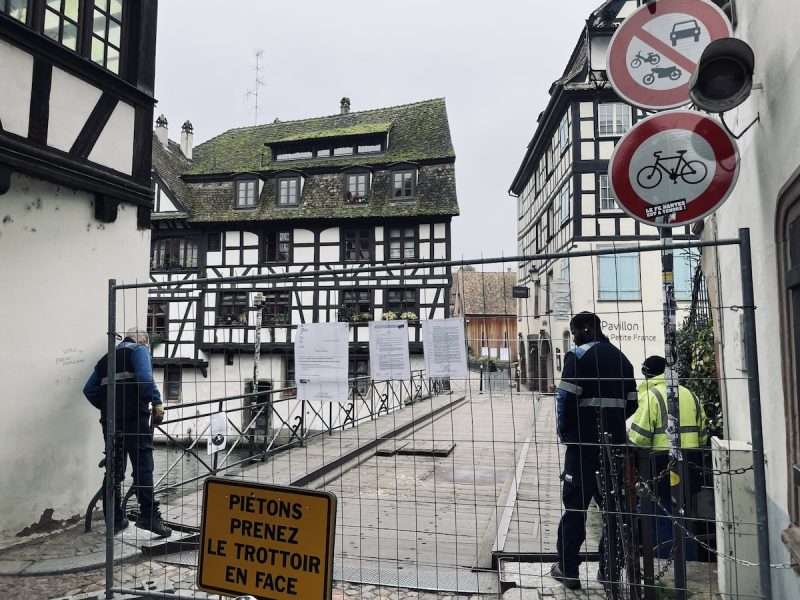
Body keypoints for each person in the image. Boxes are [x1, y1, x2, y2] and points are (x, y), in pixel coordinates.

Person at [550, 312, 637, 590]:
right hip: (613, 446)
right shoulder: (623, 360)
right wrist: (613, 421)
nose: (574, 337)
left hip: (583, 447)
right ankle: (609, 570)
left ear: (586, 330)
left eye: (575, 332)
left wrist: (567, 432)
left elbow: (565, 399)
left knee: (575, 508)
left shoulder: (578, 357)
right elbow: (632, 403)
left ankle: (568, 569)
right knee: (613, 510)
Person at [83, 329, 171, 538]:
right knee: (143, 466)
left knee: (114, 468)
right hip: (134, 419)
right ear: (143, 340)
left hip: (111, 422)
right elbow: (143, 378)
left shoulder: (105, 359)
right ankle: (149, 516)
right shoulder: (138, 350)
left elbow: (89, 389)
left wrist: (108, 407)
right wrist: (156, 402)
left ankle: (114, 520)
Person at [628, 355, 707, 559]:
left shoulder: (651, 396)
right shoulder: (690, 395)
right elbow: (703, 434)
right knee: (683, 519)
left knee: (660, 520)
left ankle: (667, 567)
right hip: (690, 465)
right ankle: (688, 565)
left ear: (646, 374)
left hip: (659, 466)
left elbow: (638, 439)